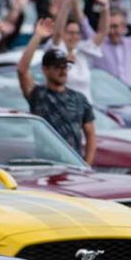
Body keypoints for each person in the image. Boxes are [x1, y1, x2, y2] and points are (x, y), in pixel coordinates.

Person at [18, 18, 97, 163]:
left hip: (73, 165)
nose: (63, 71)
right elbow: (22, 70)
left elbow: (91, 134)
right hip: (45, 164)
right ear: (45, 70)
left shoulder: (79, 99)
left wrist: (87, 164)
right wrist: (38, 37)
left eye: (65, 66)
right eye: (57, 67)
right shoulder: (38, 95)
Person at [47, 0, 106, 103]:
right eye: (70, 33)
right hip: (65, 108)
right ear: (64, 33)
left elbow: (102, 33)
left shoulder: (81, 51)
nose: (74, 36)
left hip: (86, 111)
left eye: (77, 33)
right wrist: (66, 3)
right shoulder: (57, 49)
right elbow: (58, 32)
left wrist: (105, 8)